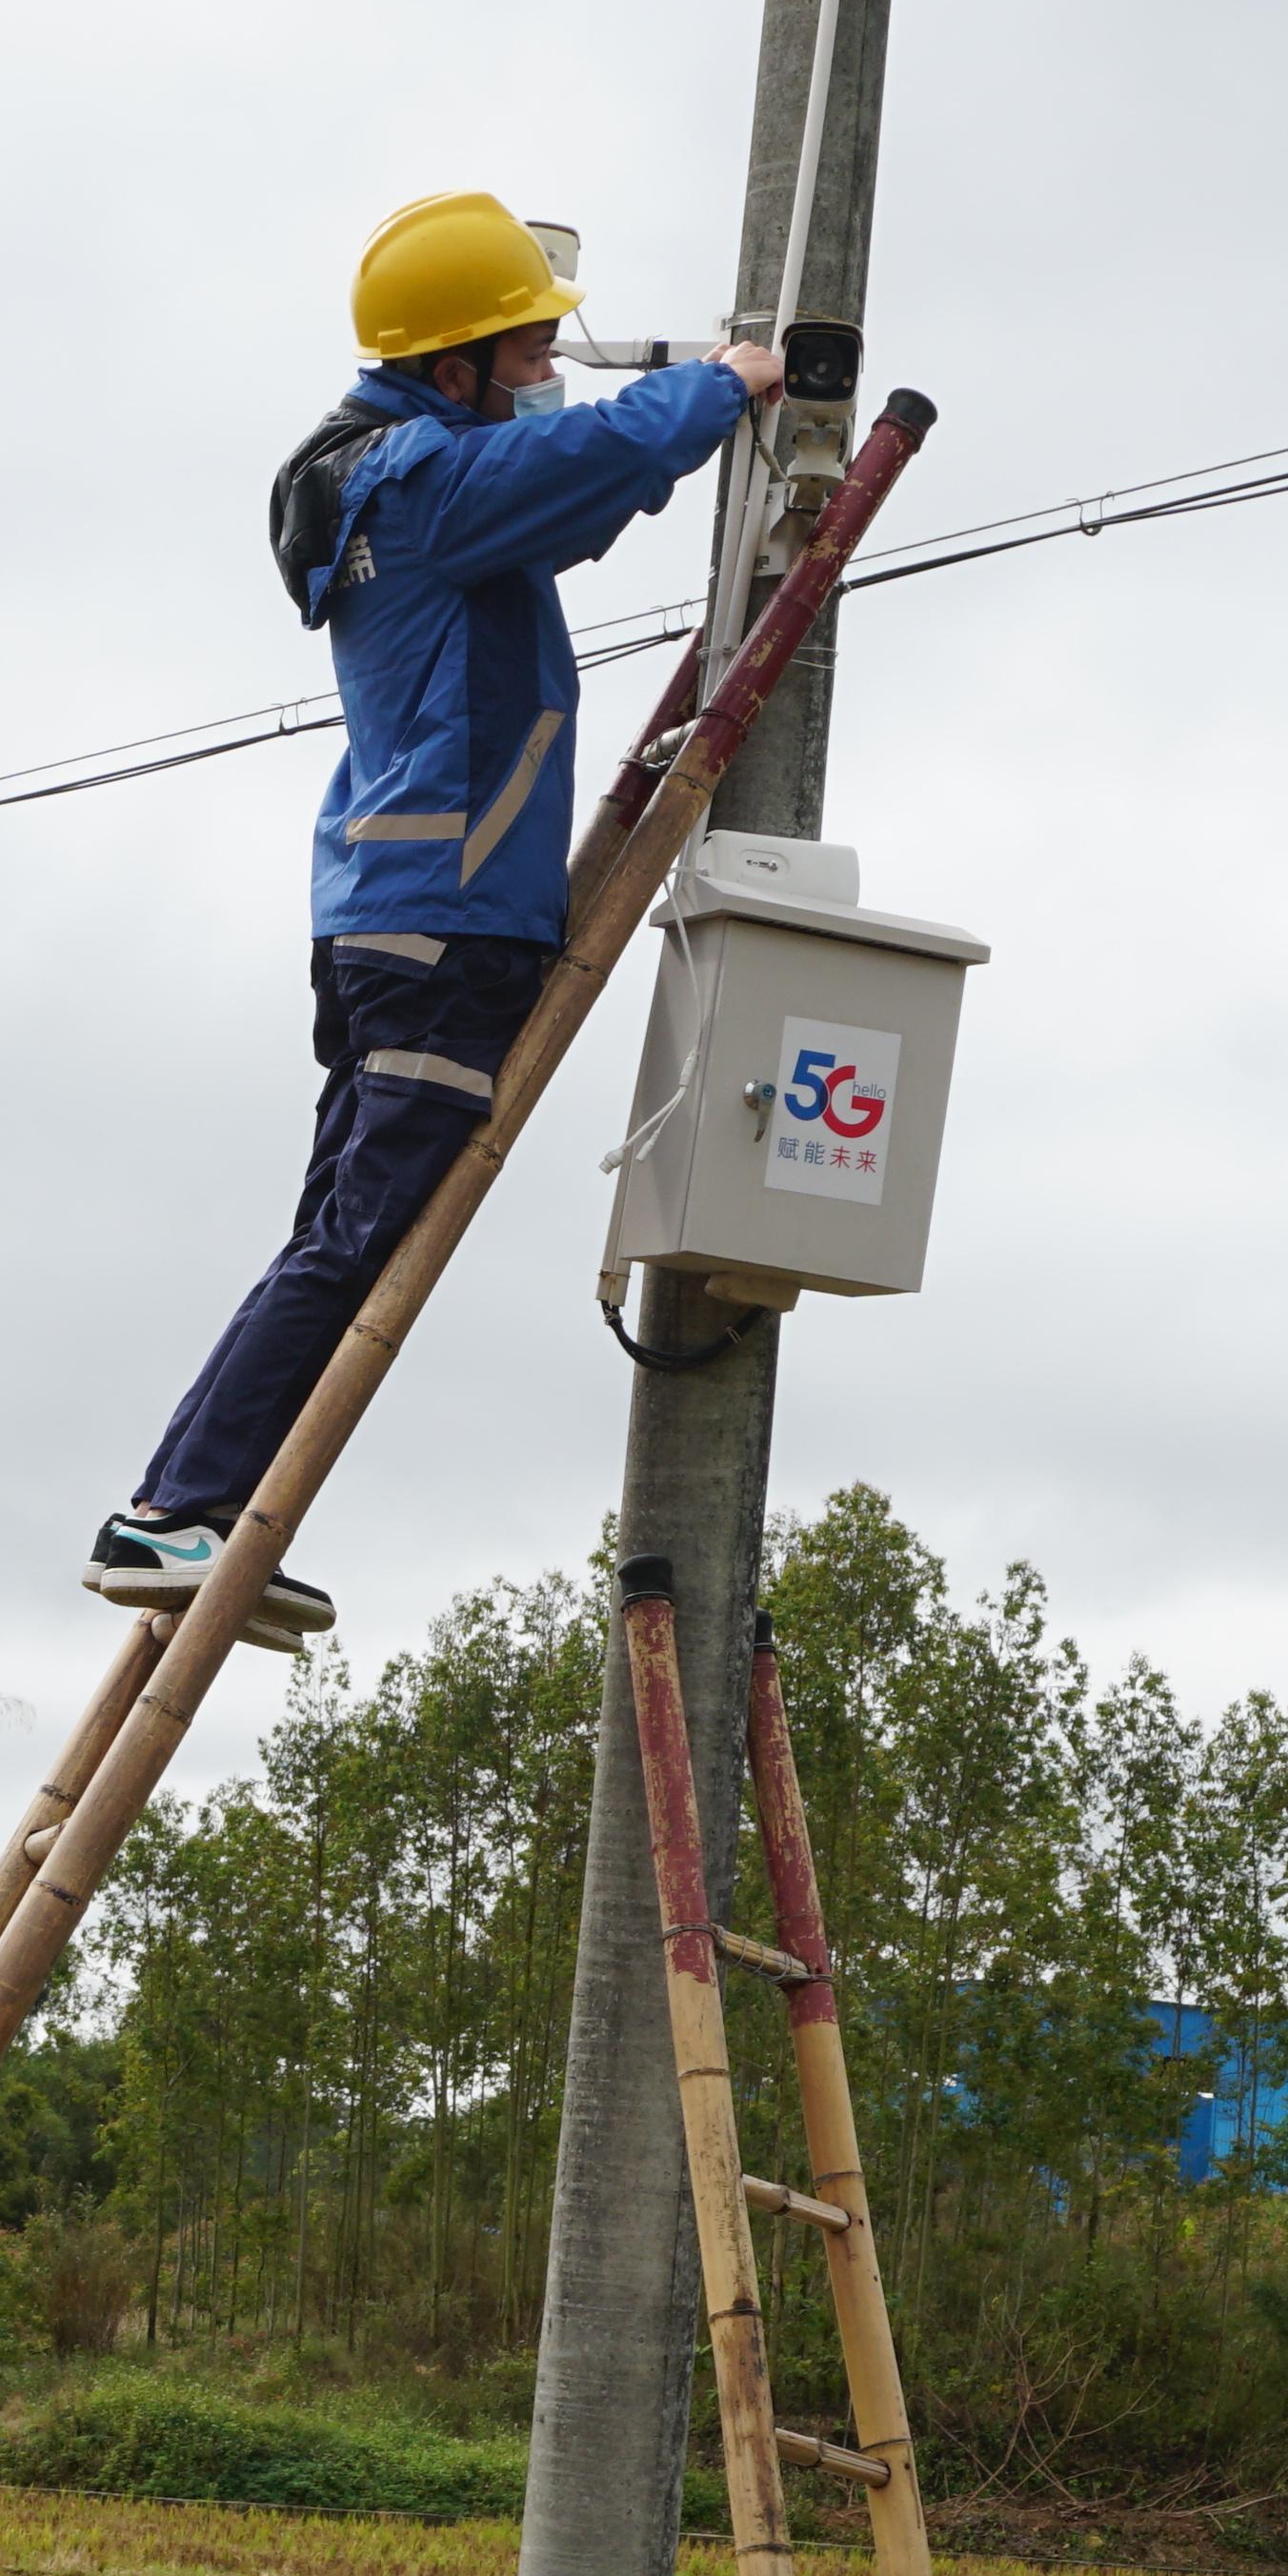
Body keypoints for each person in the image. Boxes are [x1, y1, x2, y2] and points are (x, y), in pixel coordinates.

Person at [92, 192, 783, 1645]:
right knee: (353, 1243)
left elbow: (578, 490)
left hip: (402, 917)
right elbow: (591, 452)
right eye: (525, 351)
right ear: (454, 366)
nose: (545, 372)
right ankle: (171, 1511)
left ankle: (210, 1508)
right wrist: (727, 382)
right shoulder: (420, 484)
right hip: (444, 925)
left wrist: (671, 430)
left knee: (338, 1235)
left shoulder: (403, 479)